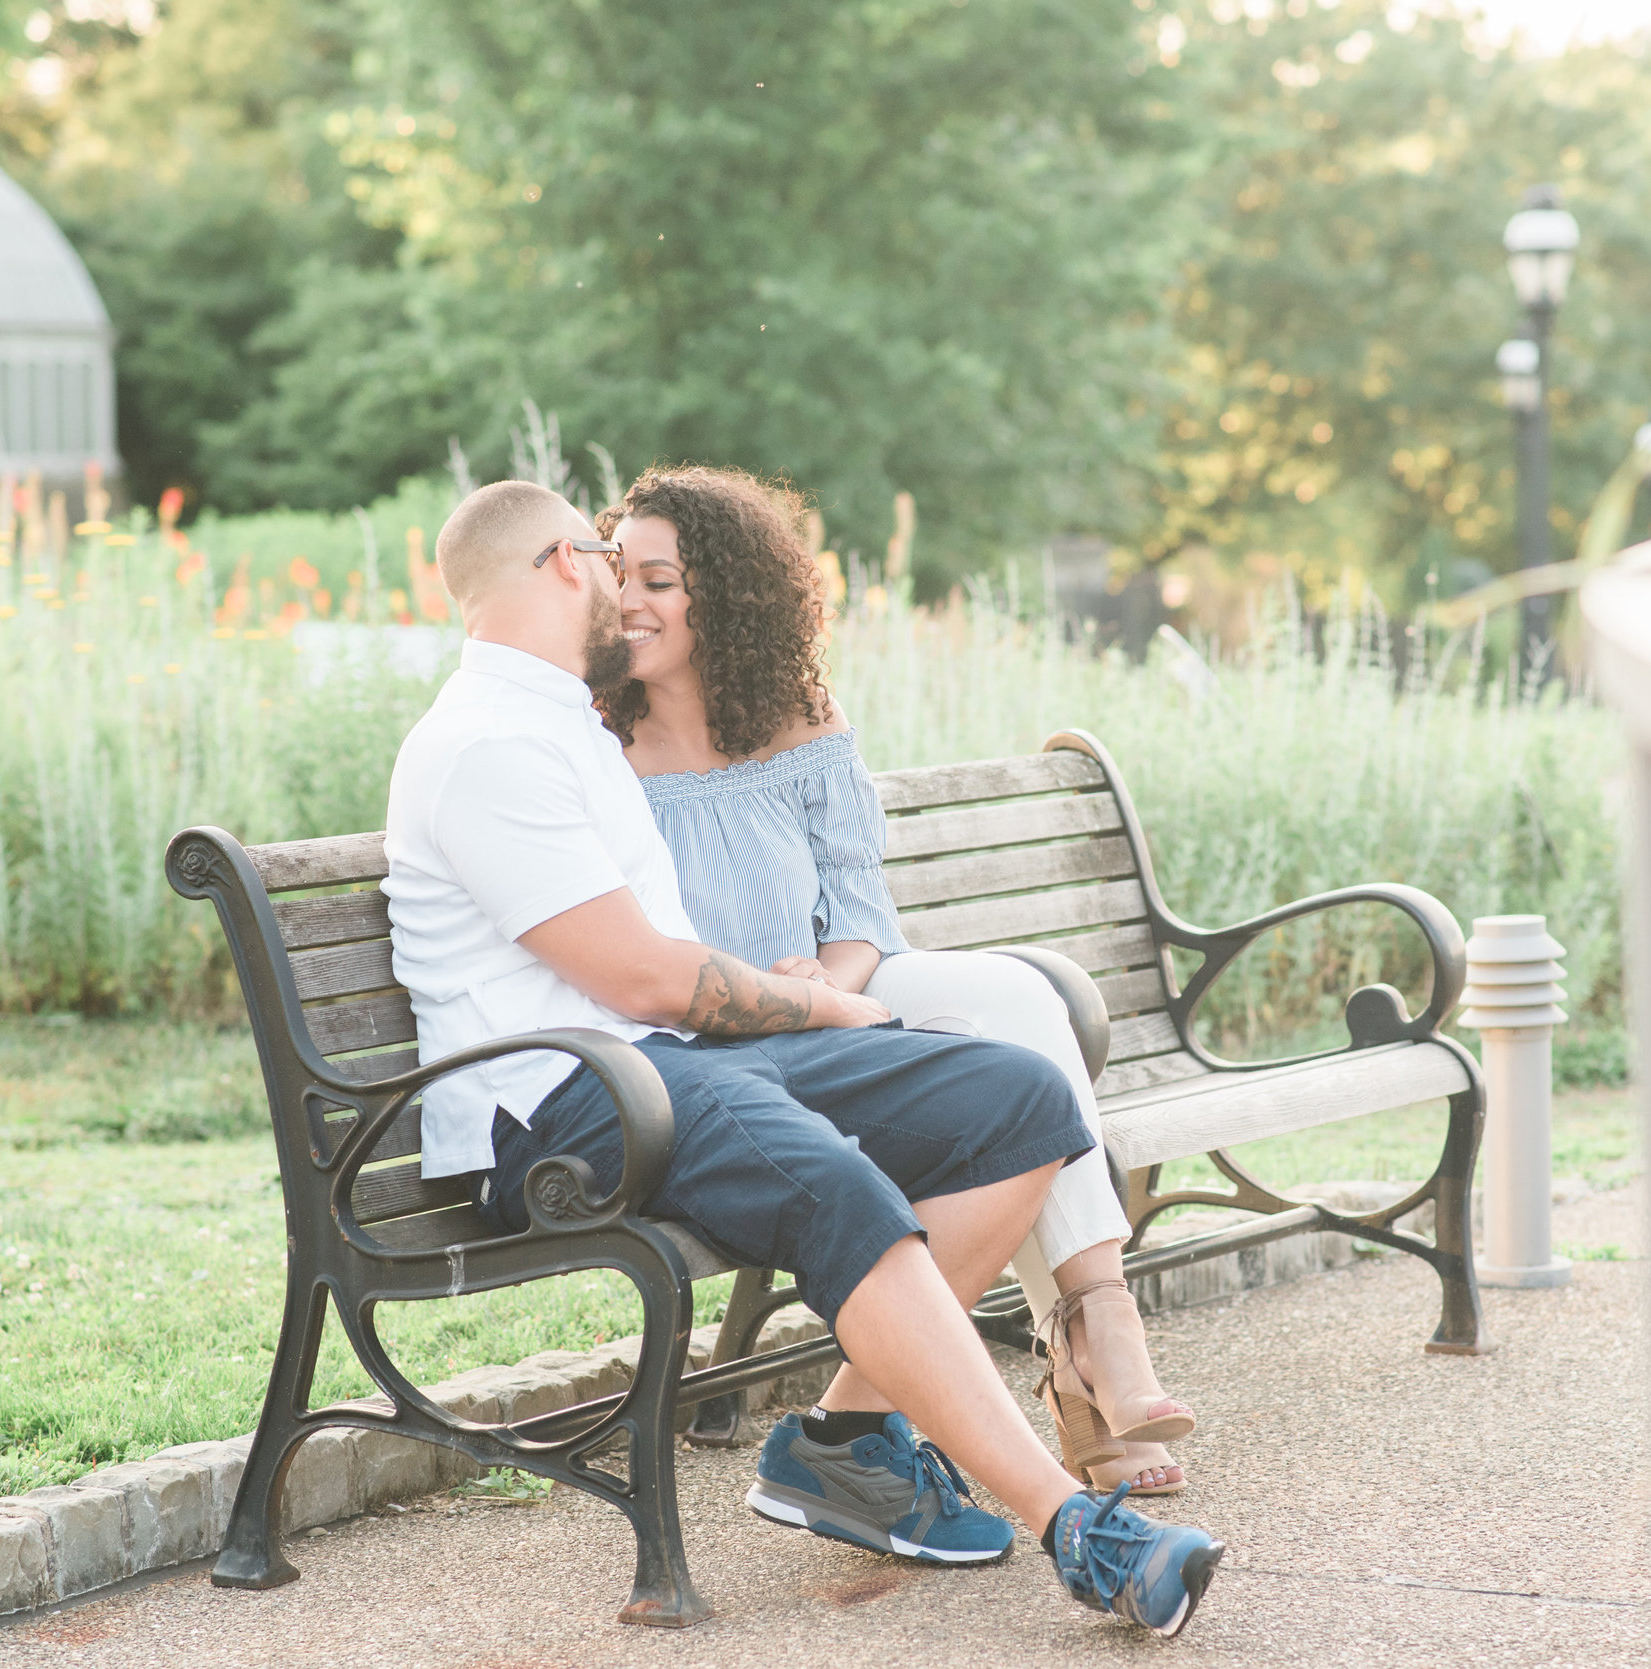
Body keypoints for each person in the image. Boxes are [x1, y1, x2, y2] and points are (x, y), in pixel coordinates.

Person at [383, 478, 1223, 1636]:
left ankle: (837, 1444)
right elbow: (639, 976)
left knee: (1017, 1099)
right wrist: (824, 1011)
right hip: (571, 1099)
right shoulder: (484, 745)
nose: (623, 588)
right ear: (565, 566)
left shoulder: (562, 722)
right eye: (605, 558)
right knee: (834, 1182)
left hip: (668, 1064)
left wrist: (826, 1002)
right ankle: (1078, 1527)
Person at [594, 465, 1195, 1496]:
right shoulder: (595, 743)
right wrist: (786, 998)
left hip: (833, 1000)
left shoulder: (798, 718)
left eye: (660, 580)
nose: (629, 603)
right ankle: (1083, 1383)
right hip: (709, 1040)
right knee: (1003, 1056)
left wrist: (829, 981)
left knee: (1020, 1000)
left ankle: (1098, 1318)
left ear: (729, 593)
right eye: (619, 578)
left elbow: (858, 906)